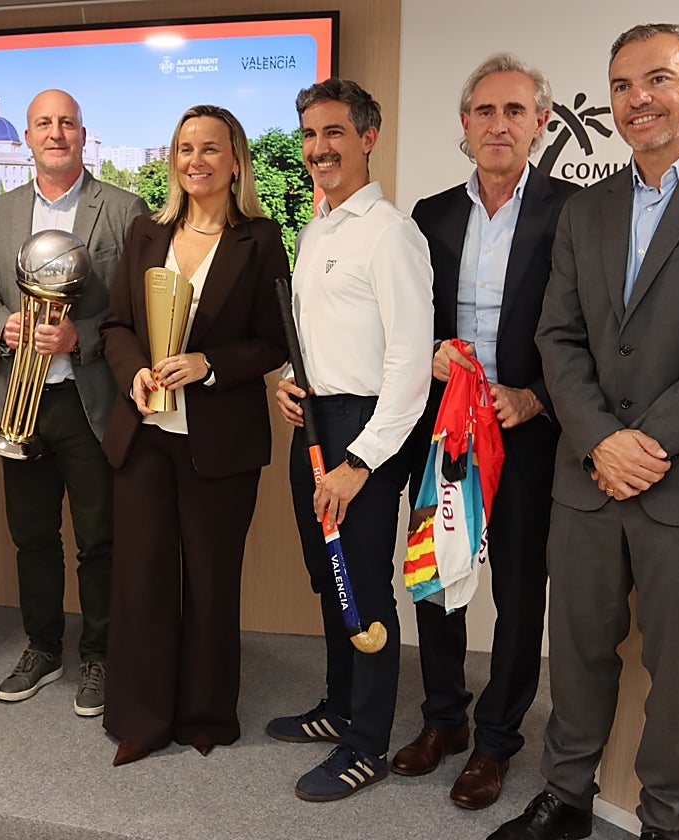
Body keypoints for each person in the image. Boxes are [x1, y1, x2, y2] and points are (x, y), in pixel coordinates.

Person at [491, 23, 679, 840]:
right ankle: (566, 798)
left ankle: (665, 821)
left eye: (657, 79)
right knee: (577, 649)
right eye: (621, 86)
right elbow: (558, 337)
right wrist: (598, 440)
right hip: (589, 474)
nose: (636, 99)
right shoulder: (589, 207)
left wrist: (646, 444)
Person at [390, 54, 579, 810]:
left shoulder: (575, 211)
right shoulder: (431, 214)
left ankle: (497, 740)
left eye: (515, 111)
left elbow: (594, 329)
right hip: (446, 430)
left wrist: (537, 398)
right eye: (485, 111)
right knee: (437, 577)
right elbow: (408, 317)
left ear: (540, 124)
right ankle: (445, 720)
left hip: (525, 430)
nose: (499, 125)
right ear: (464, 124)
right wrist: (430, 349)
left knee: (519, 590)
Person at [99, 104, 288, 765]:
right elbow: (116, 326)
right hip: (145, 434)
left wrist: (209, 364)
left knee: (210, 579)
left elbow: (274, 340)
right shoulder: (145, 232)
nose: (196, 160)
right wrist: (133, 373)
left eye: (211, 148)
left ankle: (205, 713)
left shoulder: (260, 239)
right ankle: (141, 717)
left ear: (235, 161)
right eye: (185, 148)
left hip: (220, 440)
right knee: (142, 580)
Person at [266, 78, 433, 802]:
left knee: (361, 587)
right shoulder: (317, 229)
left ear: (368, 138)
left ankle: (367, 744)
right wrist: (286, 379)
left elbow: (409, 363)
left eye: (333, 132)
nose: (319, 148)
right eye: (309, 135)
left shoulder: (392, 233)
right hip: (315, 422)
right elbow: (316, 335)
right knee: (324, 577)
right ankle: (338, 708)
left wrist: (361, 461)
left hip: (367, 432)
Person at [0, 90, 147, 717]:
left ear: (82, 133)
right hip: (18, 404)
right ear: (27, 137)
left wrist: (84, 335)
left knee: (100, 539)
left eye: (67, 123)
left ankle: (100, 653)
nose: (56, 133)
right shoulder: (0, 212)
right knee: (32, 537)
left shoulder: (124, 208)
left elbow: (138, 305)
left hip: (90, 399)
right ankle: (43, 647)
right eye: (44, 124)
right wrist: (2, 326)